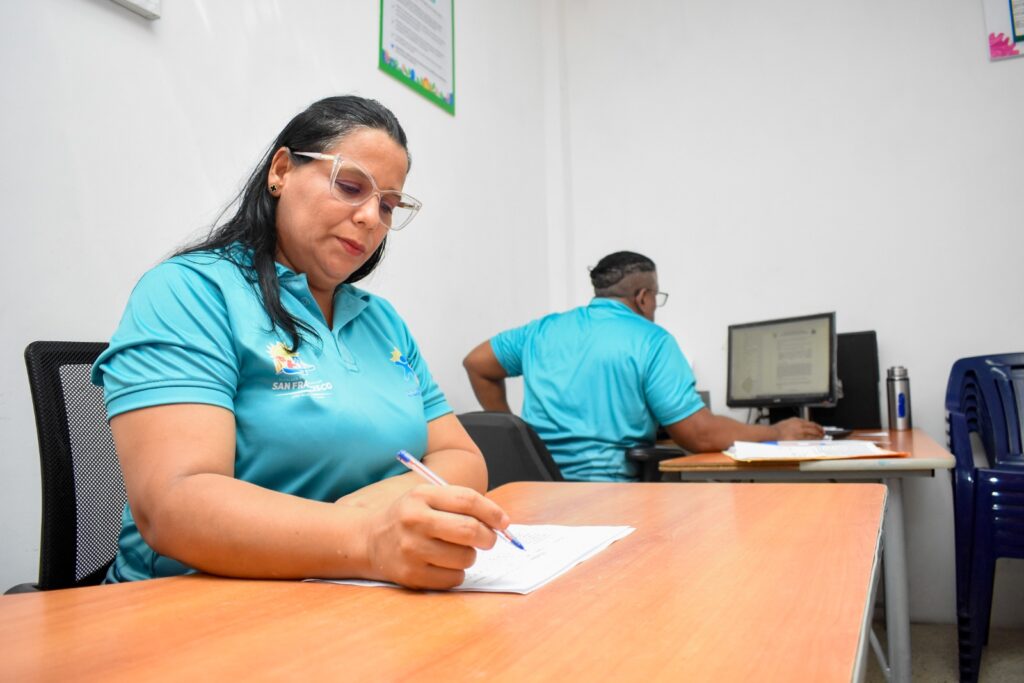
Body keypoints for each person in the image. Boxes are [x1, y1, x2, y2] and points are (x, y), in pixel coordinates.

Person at [92, 96, 511, 590]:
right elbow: (174, 504)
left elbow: (462, 459)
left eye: (387, 205)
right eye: (351, 186)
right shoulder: (191, 291)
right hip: (193, 604)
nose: (371, 217)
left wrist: (372, 512)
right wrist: (367, 537)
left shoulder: (381, 321)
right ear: (282, 171)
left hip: (349, 594)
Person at [463, 251, 824, 481]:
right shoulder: (652, 340)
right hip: (610, 497)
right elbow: (698, 435)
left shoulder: (542, 330)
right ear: (643, 297)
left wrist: (519, 434)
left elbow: (477, 363)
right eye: (656, 297)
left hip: (538, 492)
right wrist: (776, 431)